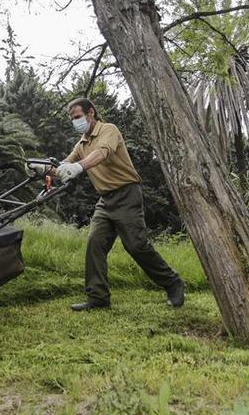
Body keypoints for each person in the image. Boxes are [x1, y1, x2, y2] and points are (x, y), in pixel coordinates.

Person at [38, 98, 185, 311]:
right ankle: (98, 297)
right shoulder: (81, 144)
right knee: (94, 244)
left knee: (136, 245)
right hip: (105, 200)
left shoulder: (108, 130)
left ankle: (172, 282)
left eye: (77, 117)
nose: (75, 122)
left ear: (91, 113)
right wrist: (42, 168)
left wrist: (79, 166)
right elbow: (64, 168)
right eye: (72, 119)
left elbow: (102, 153)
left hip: (127, 194)